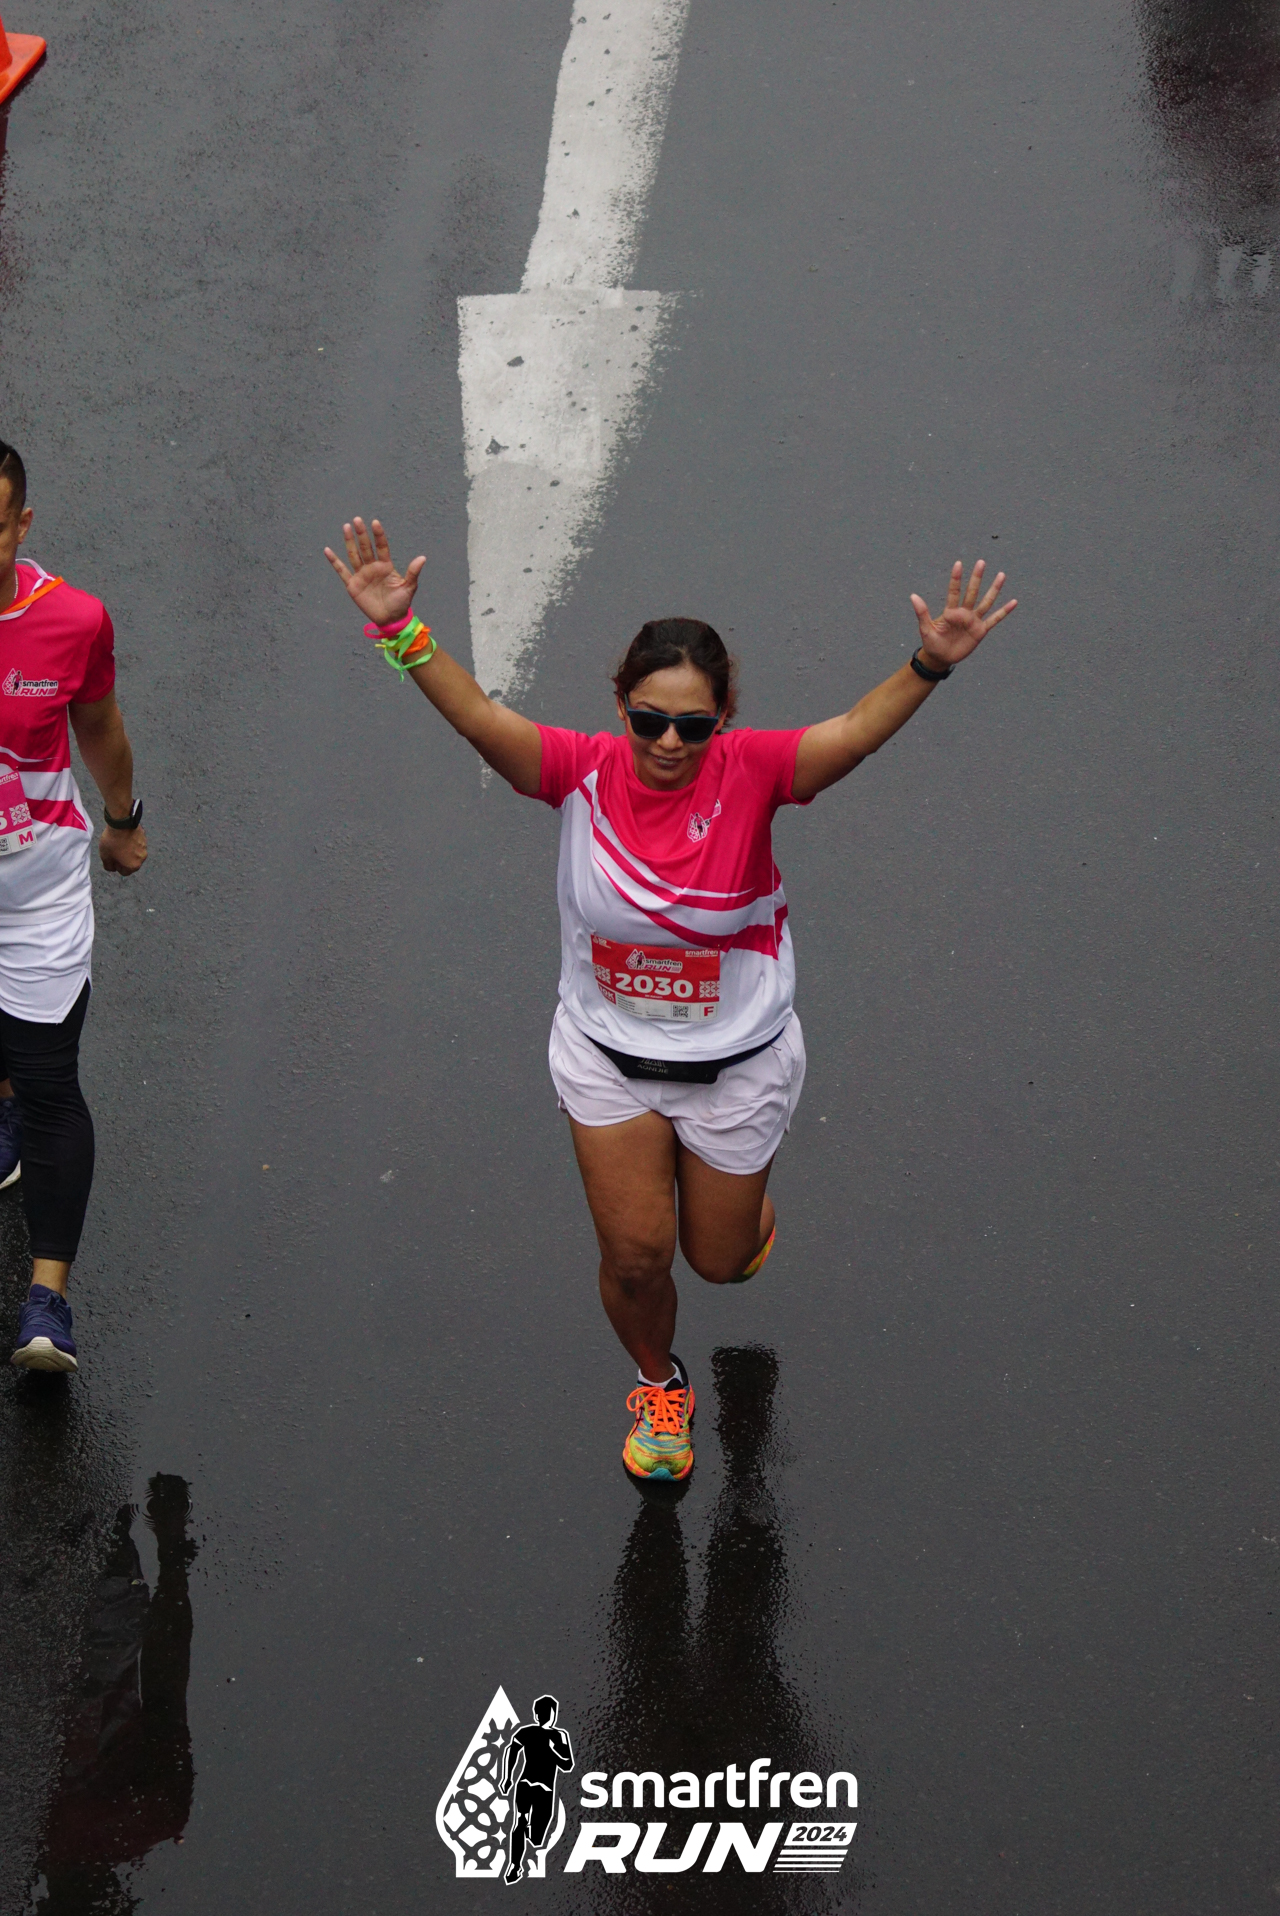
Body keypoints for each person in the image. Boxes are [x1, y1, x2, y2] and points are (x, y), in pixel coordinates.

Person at [325, 517, 1015, 1481]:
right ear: (622, 704)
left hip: (737, 1066)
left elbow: (855, 733)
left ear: (723, 716)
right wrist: (399, 630)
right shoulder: (579, 771)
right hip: (608, 1061)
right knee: (638, 1258)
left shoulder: (757, 771)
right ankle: (660, 1386)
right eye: (649, 719)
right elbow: (480, 718)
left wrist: (930, 663)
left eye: (694, 725)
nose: (668, 742)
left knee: (718, 1262)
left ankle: (745, 1224)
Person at [0, 440, 148, 1373]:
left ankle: (46, 1300)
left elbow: (97, 725)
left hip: (35, 896)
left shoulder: (71, 620)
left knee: (50, 1081)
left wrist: (122, 820)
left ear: (21, 525)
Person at [498, 1695, 574, 1884]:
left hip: (544, 1790)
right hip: (527, 1784)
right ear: (537, 1714)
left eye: (549, 1712)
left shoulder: (559, 1735)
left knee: (536, 1837)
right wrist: (507, 1777)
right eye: (543, 1712)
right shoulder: (527, 1732)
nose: (546, 1716)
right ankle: (515, 1865)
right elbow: (511, 1751)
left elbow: (567, 1765)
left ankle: (528, 1834)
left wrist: (551, 1751)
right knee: (520, 1820)